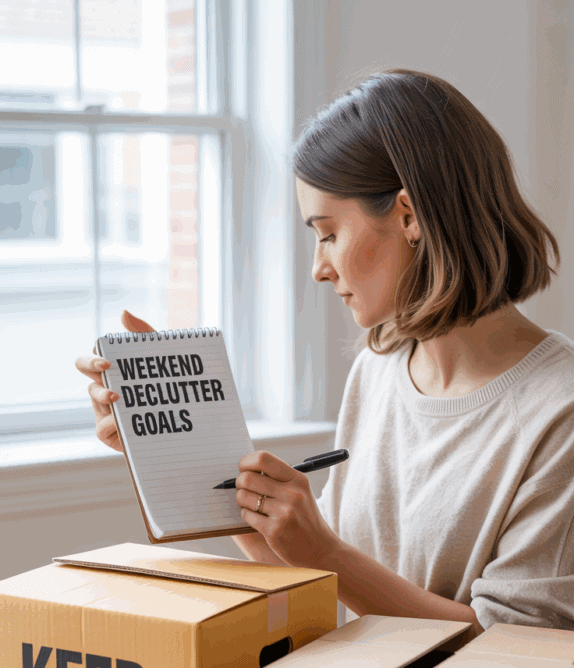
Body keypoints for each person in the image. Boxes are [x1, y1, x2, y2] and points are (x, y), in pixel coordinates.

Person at [76, 68, 574, 636]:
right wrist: (167, 443)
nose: (319, 267)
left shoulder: (559, 413)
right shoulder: (380, 370)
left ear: (409, 216)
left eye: (328, 233)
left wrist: (326, 552)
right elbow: (321, 582)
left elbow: (519, 653)